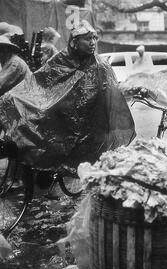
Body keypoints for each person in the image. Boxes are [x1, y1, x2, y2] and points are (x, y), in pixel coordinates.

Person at [0, 20, 135, 174]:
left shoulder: (101, 65)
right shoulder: (62, 57)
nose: (92, 43)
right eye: (87, 38)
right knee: (20, 109)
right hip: (60, 107)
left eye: (94, 38)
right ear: (75, 42)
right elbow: (40, 79)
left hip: (88, 116)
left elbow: (106, 95)